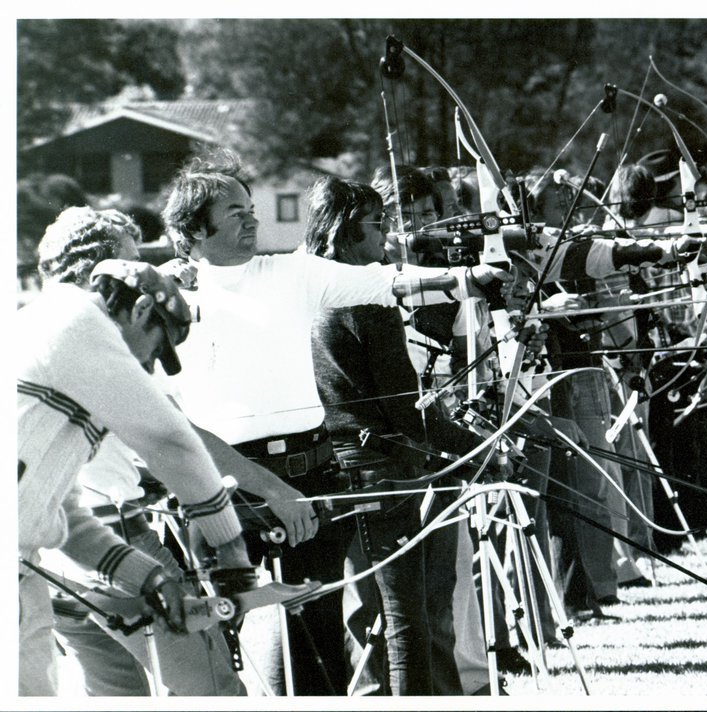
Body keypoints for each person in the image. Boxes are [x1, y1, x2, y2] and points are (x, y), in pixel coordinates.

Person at [159, 149, 510, 695]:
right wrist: (163, 272)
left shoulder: (291, 273)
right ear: (193, 229)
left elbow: (383, 282)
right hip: (224, 485)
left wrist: (464, 277)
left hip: (313, 474)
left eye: (251, 207)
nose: (252, 218)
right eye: (234, 212)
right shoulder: (168, 291)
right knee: (216, 640)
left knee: (317, 634)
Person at [33, 207, 250, 696]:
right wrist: (231, 547)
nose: (147, 273)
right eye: (134, 262)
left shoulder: (31, 327)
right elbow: (169, 438)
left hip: (54, 557)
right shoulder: (83, 326)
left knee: (114, 696)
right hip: (114, 531)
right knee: (215, 693)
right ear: (107, 273)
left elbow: (62, 488)